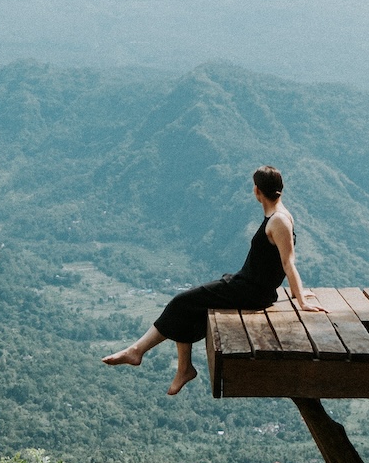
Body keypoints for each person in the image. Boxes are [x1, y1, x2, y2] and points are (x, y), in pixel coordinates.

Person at [103, 165, 324, 395]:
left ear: (256, 191)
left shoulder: (279, 220)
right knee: (189, 302)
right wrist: (301, 293)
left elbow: (288, 263)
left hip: (251, 291)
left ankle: (139, 352)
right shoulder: (278, 216)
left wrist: (301, 301)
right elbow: (280, 262)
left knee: (182, 302)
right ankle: (182, 368)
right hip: (246, 284)